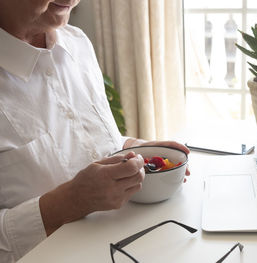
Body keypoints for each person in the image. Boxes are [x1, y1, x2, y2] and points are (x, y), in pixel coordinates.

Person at [0, 1, 190, 262]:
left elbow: (90, 140)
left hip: (135, 246)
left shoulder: (77, 44)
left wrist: (139, 149)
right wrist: (69, 202)